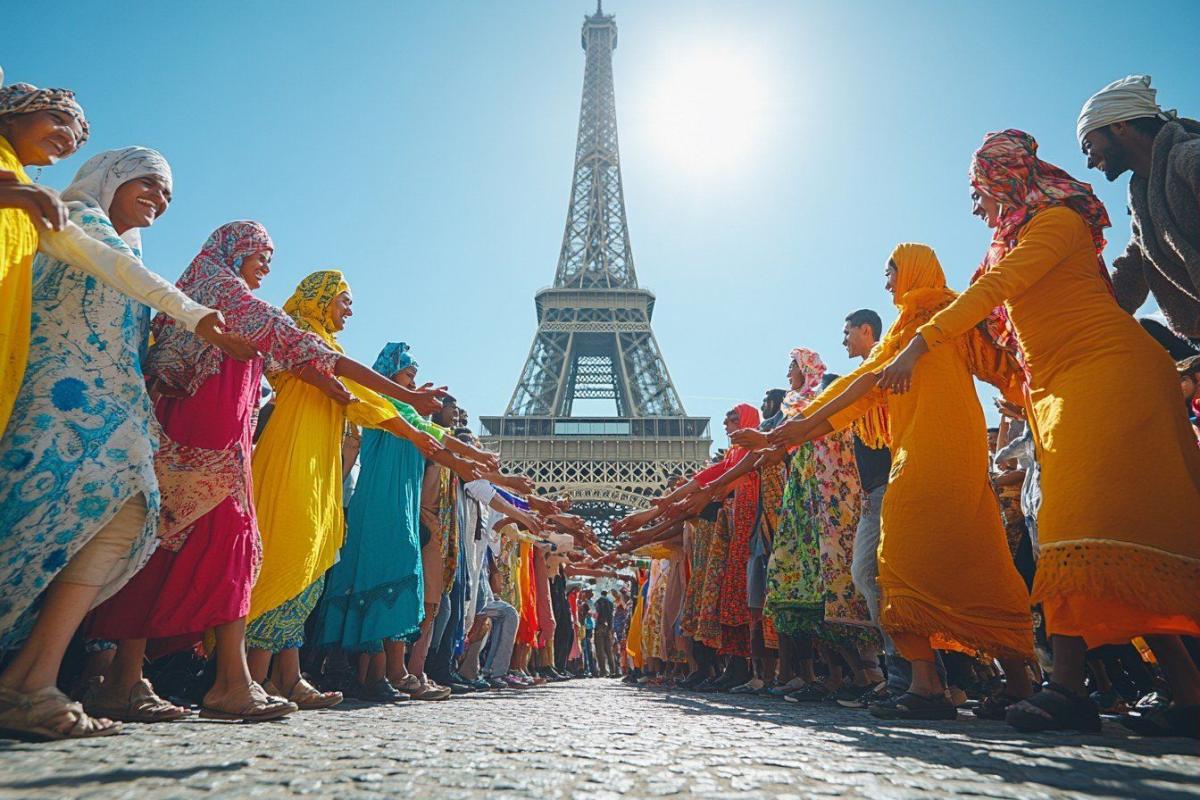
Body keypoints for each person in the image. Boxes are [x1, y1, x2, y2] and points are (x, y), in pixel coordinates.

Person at [880, 129, 1200, 736]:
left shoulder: (1055, 224)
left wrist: (919, 344)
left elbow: (993, 293)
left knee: (1071, 529)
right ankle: (1189, 693)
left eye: (978, 189)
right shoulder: (1009, 242)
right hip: (1060, 391)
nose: (974, 204)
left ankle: (1068, 690)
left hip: (1110, 374)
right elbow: (996, 336)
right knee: (1109, 542)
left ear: (1004, 180)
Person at [88, 222, 447, 722]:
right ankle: (160, 679)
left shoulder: (216, 296)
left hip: (221, 442)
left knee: (214, 547)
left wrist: (395, 405)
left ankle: (211, 679)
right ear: (234, 251)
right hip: (196, 439)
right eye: (261, 254)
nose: (267, 266)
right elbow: (302, 346)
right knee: (183, 544)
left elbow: (316, 363)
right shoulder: (222, 292)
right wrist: (404, 396)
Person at [0, 147, 251, 741]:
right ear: (111, 176)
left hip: (114, 416)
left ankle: (30, 681)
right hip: (55, 405)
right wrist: (193, 313)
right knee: (27, 523)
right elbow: (112, 267)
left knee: (124, 518)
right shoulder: (72, 217)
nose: (160, 199)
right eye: (150, 183)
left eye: (168, 194)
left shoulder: (131, 249)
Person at [759, 243, 1035, 721]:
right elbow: (860, 387)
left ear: (912, 269)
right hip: (909, 456)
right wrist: (794, 430)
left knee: (973, 558)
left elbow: (1006, 366)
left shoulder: (951, 315)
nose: (887, 281)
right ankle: (929, 683)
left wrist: (1030, 400)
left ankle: (1013, 681)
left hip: (952, 452)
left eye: (890, 271)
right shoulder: (899, 334)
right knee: (903, 562)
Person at [245, 271, 446, 710]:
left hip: (318, 459)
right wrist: (409, 410)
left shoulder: (327, 343)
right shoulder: (299, 332)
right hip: (293, 451)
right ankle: (253, 678)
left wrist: (412, 429)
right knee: (287, 552)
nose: (350, 310)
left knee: (310, 562)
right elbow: (352, 381)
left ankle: (287, 676)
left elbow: (363, 400)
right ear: (318, 298)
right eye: (344, 300)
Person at [1076, 75, 1200, 339]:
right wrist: (1088, 323)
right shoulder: (1143, 198)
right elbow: (1134, 268)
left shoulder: (1191, 159)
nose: (1089, 162)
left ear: (1119, 125)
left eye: (1088, 145)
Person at [593, 590, 615, 677]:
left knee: (600, 650)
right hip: (608, 627)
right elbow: (611, 615)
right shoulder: (610, 603)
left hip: (600, 626)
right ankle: (612, 670)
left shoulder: (598, 602)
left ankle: (603, 671)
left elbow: (597, 614)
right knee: (609, 649)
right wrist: (610, 627)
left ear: (601, 594)